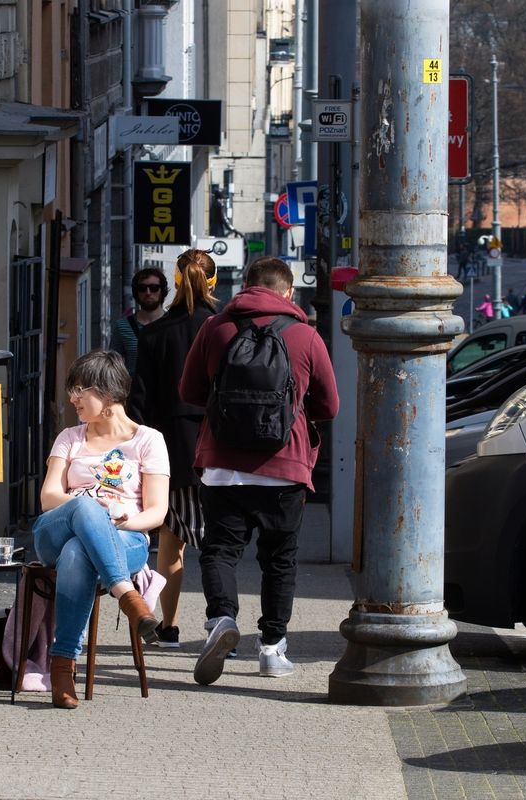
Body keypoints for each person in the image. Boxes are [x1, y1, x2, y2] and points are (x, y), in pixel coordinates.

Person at [179, 256, 339, 685]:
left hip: (222, 467)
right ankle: (271, 650)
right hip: (284, 469)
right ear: (288, 293)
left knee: (219, 551)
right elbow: (330, 406)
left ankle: (222, 619)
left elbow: (190, 391)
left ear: (245, 286)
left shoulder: (216, 328)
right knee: (280, 561)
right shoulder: (306, 335)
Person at [35, 349, 170, 709]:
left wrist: (127, 520)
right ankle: (125, 592)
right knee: (82, 507)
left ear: (108, 394)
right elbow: (49, 496)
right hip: (56, 530)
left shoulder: (149, 440)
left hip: (123, 538)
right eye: (71, 389)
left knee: (79, 553)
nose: (72, 398)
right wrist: (90, 508)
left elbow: (157, 511)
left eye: (80, 389)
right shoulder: (70, 437)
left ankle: (62, 667)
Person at [129, 249, 218, 649]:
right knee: (221, 545)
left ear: (175, 284)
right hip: (220, 448)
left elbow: (139, 403)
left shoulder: (153, 334)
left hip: (171, 452)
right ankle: (221, 624)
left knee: (170, 541)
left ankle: (170, 626)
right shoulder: (224, 328)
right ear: (212, 283)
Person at [109, 267, 168, 376]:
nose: (148, 292)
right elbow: (112, 367)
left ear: (162, 291)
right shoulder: (122, 327)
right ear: (136, 292)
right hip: (134, 391)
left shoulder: (174, 325)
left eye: (154, 288)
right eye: (142, 288)